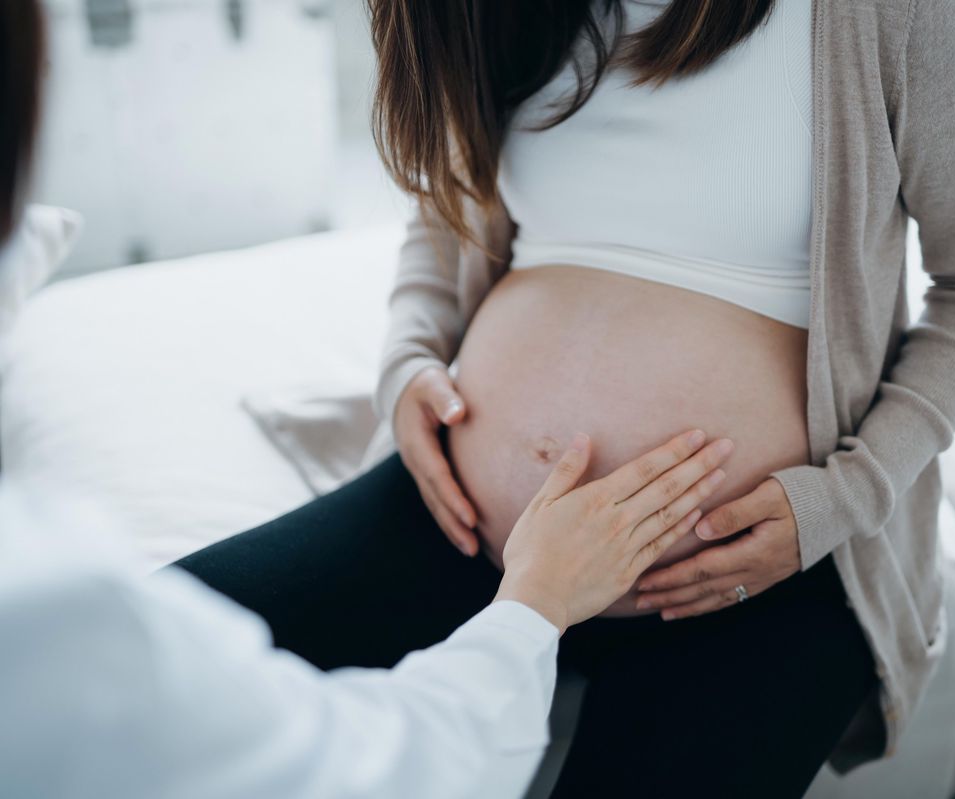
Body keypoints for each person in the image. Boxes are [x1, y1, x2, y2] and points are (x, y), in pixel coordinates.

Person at [172, 0, 955, 796]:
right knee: (151, 661)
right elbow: (447, 203)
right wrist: (408, 357)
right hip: (465, 527)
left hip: (753, 574)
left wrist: (846, 495)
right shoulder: (488, 12)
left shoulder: (890, 14)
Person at [0, 3, 734, 797]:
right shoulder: (60, 615)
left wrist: (821, 503)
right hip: (453, 517)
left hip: (726, 574)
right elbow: (387, 768)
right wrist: (536, 597)